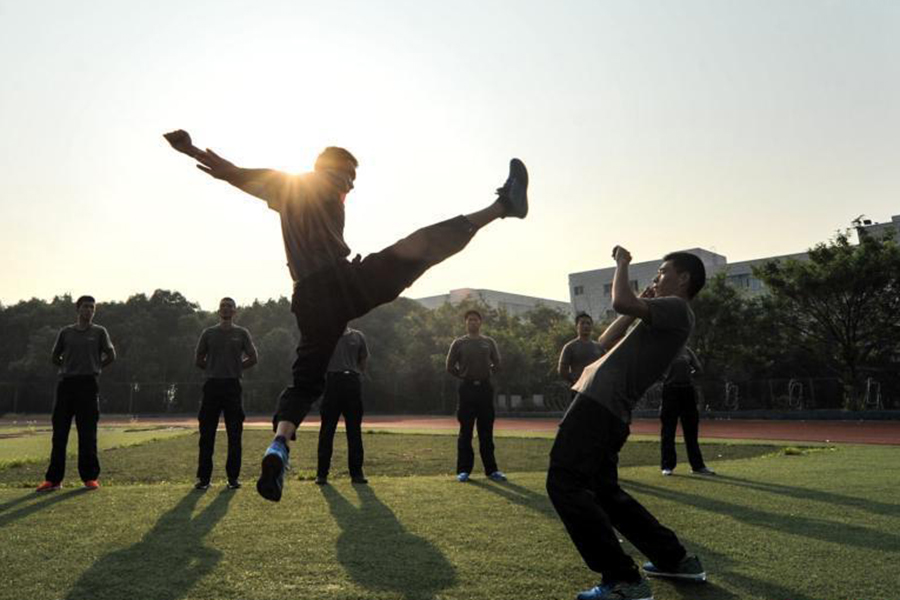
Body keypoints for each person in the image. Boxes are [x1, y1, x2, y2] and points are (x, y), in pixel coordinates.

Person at [163, 129, 528, 501]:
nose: (350, 187)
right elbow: (234, 171)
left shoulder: (284, 189)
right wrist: (194, 150)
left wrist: (189, 149)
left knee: (305, 382)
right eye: (347, 177)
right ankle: (503, 206)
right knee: (419, 248)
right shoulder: (304, 185)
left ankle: (278, 444)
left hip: (307, 299)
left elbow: (234, 173)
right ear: (327, 170)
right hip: (340, 284)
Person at [546, 247, 708, 600]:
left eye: (663, 272)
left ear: (683, 279)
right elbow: (604, 341)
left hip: (599, 406)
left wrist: (622, 265)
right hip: (605, 406)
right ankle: (674, 558)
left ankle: (622, 577)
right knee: (603, 491)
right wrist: (638, 305)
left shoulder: (678, 308)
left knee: (563, 481)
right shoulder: (664, 314)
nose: (657, 278)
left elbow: (620, 300)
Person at [37, 295, 116, 492]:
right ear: (78, 309)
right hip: (66, 385)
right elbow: (55, 356)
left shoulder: (99, 332)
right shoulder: (66, 333)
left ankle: (89, 477)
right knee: (60, 434)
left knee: (88, 433)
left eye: (92, 307)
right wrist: (67, 367)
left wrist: (96, 367)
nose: (89, 310)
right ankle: (53, 480)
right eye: (86, 307)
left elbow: (111, 355)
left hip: (88, 385)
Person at [193, 297, 258, 490]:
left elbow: (253, 357)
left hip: (232, 387)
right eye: (223, 306)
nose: (226, 309)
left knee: (235, 434)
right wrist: (213, 369)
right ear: (219, 310)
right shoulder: (209, 333)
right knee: (207, 434)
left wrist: (236, 368)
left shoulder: (241, 333)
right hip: (212, 386)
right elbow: (198, 358)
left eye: (229, 306)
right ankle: (204, 479)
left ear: (235, 311)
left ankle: (233, 479)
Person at [445, 309, 505, 483]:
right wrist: (464, 376)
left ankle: (492, 470)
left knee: (486, 431)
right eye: (470, 319)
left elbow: (498, 363)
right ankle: (464, 470)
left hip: (485, 389)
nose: (473, 322)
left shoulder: (488, 342)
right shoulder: (459, 343)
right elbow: (449, 366)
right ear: (466, 322)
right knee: (466, 431)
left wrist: (486, 375)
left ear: (481, 322)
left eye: (476, 320)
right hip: (466, 389)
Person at [315, 327, 369, 485]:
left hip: (352, 382)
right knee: (327, 429)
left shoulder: (358, 336)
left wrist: (357, 373)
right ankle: (322, 474)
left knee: (354, 430)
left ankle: (357, 474)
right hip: (332, 382)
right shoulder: (325, 335)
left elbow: (364, 358)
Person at [660, 346, 713, 477]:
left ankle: (698, 466)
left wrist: (689, 375)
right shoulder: (663, 349)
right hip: (670, 391)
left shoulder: (687, 350)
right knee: (668, 430)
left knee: (691, 430)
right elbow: (654, 370)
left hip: (687, 391)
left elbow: (699, 369)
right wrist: (667, 378)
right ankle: (667, 466)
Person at [558, 312, 605, 400]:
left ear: (591, 326)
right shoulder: (570, 347)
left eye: (588, 323)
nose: (586, 326)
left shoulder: (599, 347)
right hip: (578, 390)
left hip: (596, 390)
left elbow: (604, 367)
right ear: (577, 326)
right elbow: (562, 370)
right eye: (582, 323)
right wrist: (575, 380)